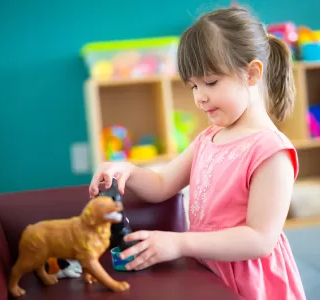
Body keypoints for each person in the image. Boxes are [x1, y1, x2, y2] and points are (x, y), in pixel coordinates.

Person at [89, 6, 306, 300]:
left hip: (250, 282)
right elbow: (162, 184)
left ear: (252, 73)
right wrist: (127, 169)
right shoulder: (209, 138)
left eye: (211, 82)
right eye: (193, 85)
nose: (200, 97)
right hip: (207, 269)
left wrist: (180, 243)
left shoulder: (271, 151)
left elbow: (259, 240)